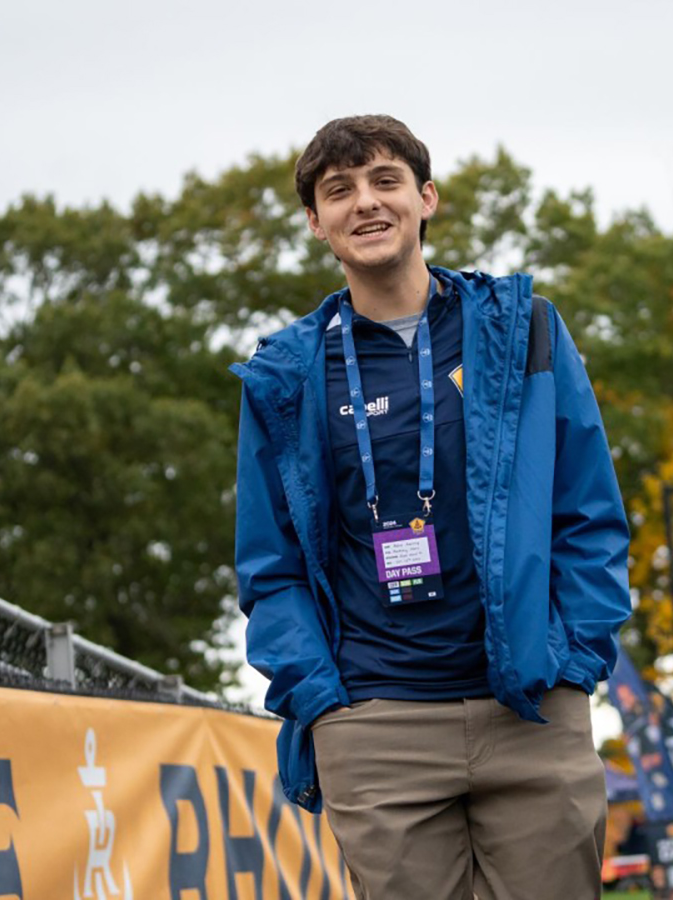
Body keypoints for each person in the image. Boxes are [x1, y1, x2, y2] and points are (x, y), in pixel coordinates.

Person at [232, 114, 632, 899]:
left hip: (529, 703)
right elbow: (268, 564)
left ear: (427, 198)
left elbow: (589, 512)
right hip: (377, 723)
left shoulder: (524, 331)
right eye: (338, 191)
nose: (365, 203)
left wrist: (574, 659)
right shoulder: (286, 375)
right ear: (316, 222)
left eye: (385, 180)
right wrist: (323, 700)